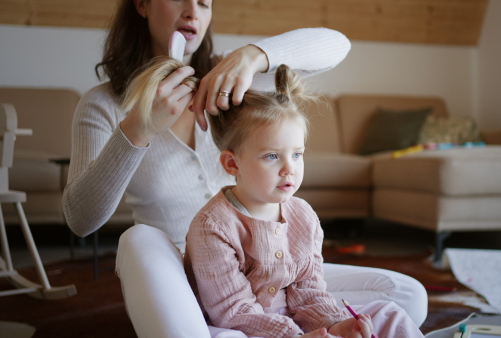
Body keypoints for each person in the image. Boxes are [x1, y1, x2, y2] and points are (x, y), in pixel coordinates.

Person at [62, 0, 427, 336]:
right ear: (141, 3)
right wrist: (138, 128)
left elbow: (337, 45)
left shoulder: (232, 84)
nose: (193, 11)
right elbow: (81, 220)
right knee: (137, 239)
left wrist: (253, 56)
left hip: (263, 270)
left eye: (204, 2)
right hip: (180, 277)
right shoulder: (103, 105)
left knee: (408, 295)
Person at [182, 63, 425, 338]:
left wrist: (334, 324)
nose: (290, 168)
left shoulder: (303, 215)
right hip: (242, 326)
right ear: (232, 164)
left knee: (388, 313)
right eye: (272, 156)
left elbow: (308, 290)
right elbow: (233, 311)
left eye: (297, 154)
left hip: (292, 320)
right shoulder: (212, 226)